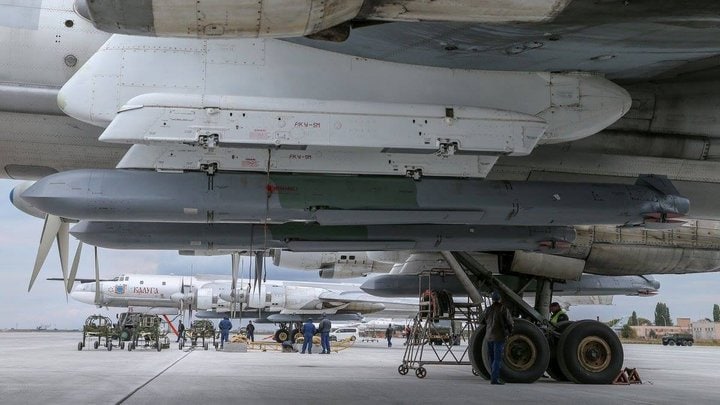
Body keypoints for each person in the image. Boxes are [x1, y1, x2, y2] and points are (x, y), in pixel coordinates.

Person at [480, 291, 514, 385]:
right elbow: (510, 322)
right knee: (497, 359)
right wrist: (510, 332)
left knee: (492, 358)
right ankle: (495, 379)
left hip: (489, 337)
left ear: (492, 300)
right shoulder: (503, 309)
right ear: (500, 299)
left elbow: (482, 321)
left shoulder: (488, 309)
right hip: (499, 337)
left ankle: (493, 377)